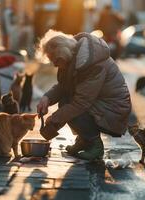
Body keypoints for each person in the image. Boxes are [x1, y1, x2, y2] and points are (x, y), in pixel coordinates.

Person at [37, 30, 131, 160]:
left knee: (71, 106)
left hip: (114, 109)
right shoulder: (70, 58)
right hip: (99, 103)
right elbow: (63, 86)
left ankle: (95, 146)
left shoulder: (92, 64)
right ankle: (84, 140)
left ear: (63, 54)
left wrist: (55, 118)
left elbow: (81, 103)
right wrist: (47, 97)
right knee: (65, 102)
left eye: (55, 60)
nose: (54, 64)